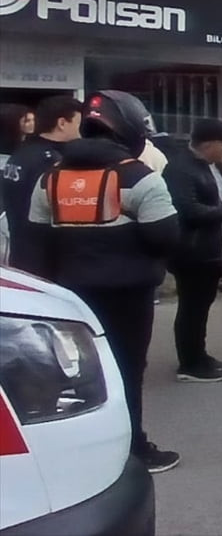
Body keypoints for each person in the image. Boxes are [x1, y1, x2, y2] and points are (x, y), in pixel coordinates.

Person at [26, 90, 182, 472]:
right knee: (126, 372)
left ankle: (77, 453)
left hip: (69, 297)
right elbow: (166, 236)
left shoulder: (51, 177)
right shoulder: (141, 178)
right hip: (128, 297)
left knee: (74, 377)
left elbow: (35, 240)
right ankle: (132, 449)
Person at [163, 118, 222, 383]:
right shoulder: (179, 169)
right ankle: (189, 363)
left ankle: (199, 353)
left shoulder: (217, 165)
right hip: (191, 251)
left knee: (202, 305)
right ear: (208, 144)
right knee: (191, 307)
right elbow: (188, 210)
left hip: (212, 248)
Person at [1, 95, 82, 271]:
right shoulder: (52, 161)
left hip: (20, 248)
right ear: (62, 123)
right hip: (46, 255)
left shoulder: (21, 153)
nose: (81, 130)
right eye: (78, 123)